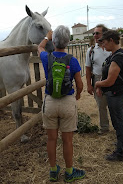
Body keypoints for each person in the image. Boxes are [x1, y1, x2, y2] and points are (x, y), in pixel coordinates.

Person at [38, 25, 86, 182]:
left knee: (51, 139)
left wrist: (47, 37)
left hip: (50, 102)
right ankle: (69, 172)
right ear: (68, 41)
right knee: (67, 140)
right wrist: (77, 95)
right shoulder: (72, 61)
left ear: (55, 40)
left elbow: (39, 47)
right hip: (67, 102)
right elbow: (80, 84)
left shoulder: (47, 57)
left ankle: (53, 171)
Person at [94, 30, 123, 162]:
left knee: (118, 121)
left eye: (104, 42)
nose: (103, 45)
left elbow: (110, 81)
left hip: (116, 94)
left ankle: (121, 153)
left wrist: (97, 83)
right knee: (121, 118)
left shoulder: (117, 59)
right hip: (119, 92)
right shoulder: (120, 54)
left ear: (111, 40)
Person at [85, 24, 111, 134]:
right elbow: (88, 68)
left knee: (113, 104)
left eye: (97, 33)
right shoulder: (91, 50)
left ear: (104, 34)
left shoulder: (111, 48)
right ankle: (104, 128)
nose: (95, 35)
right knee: (101, 105)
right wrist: (89, 85)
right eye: (94, 33)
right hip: (97, 80)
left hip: (111, 79)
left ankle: (117, 126)